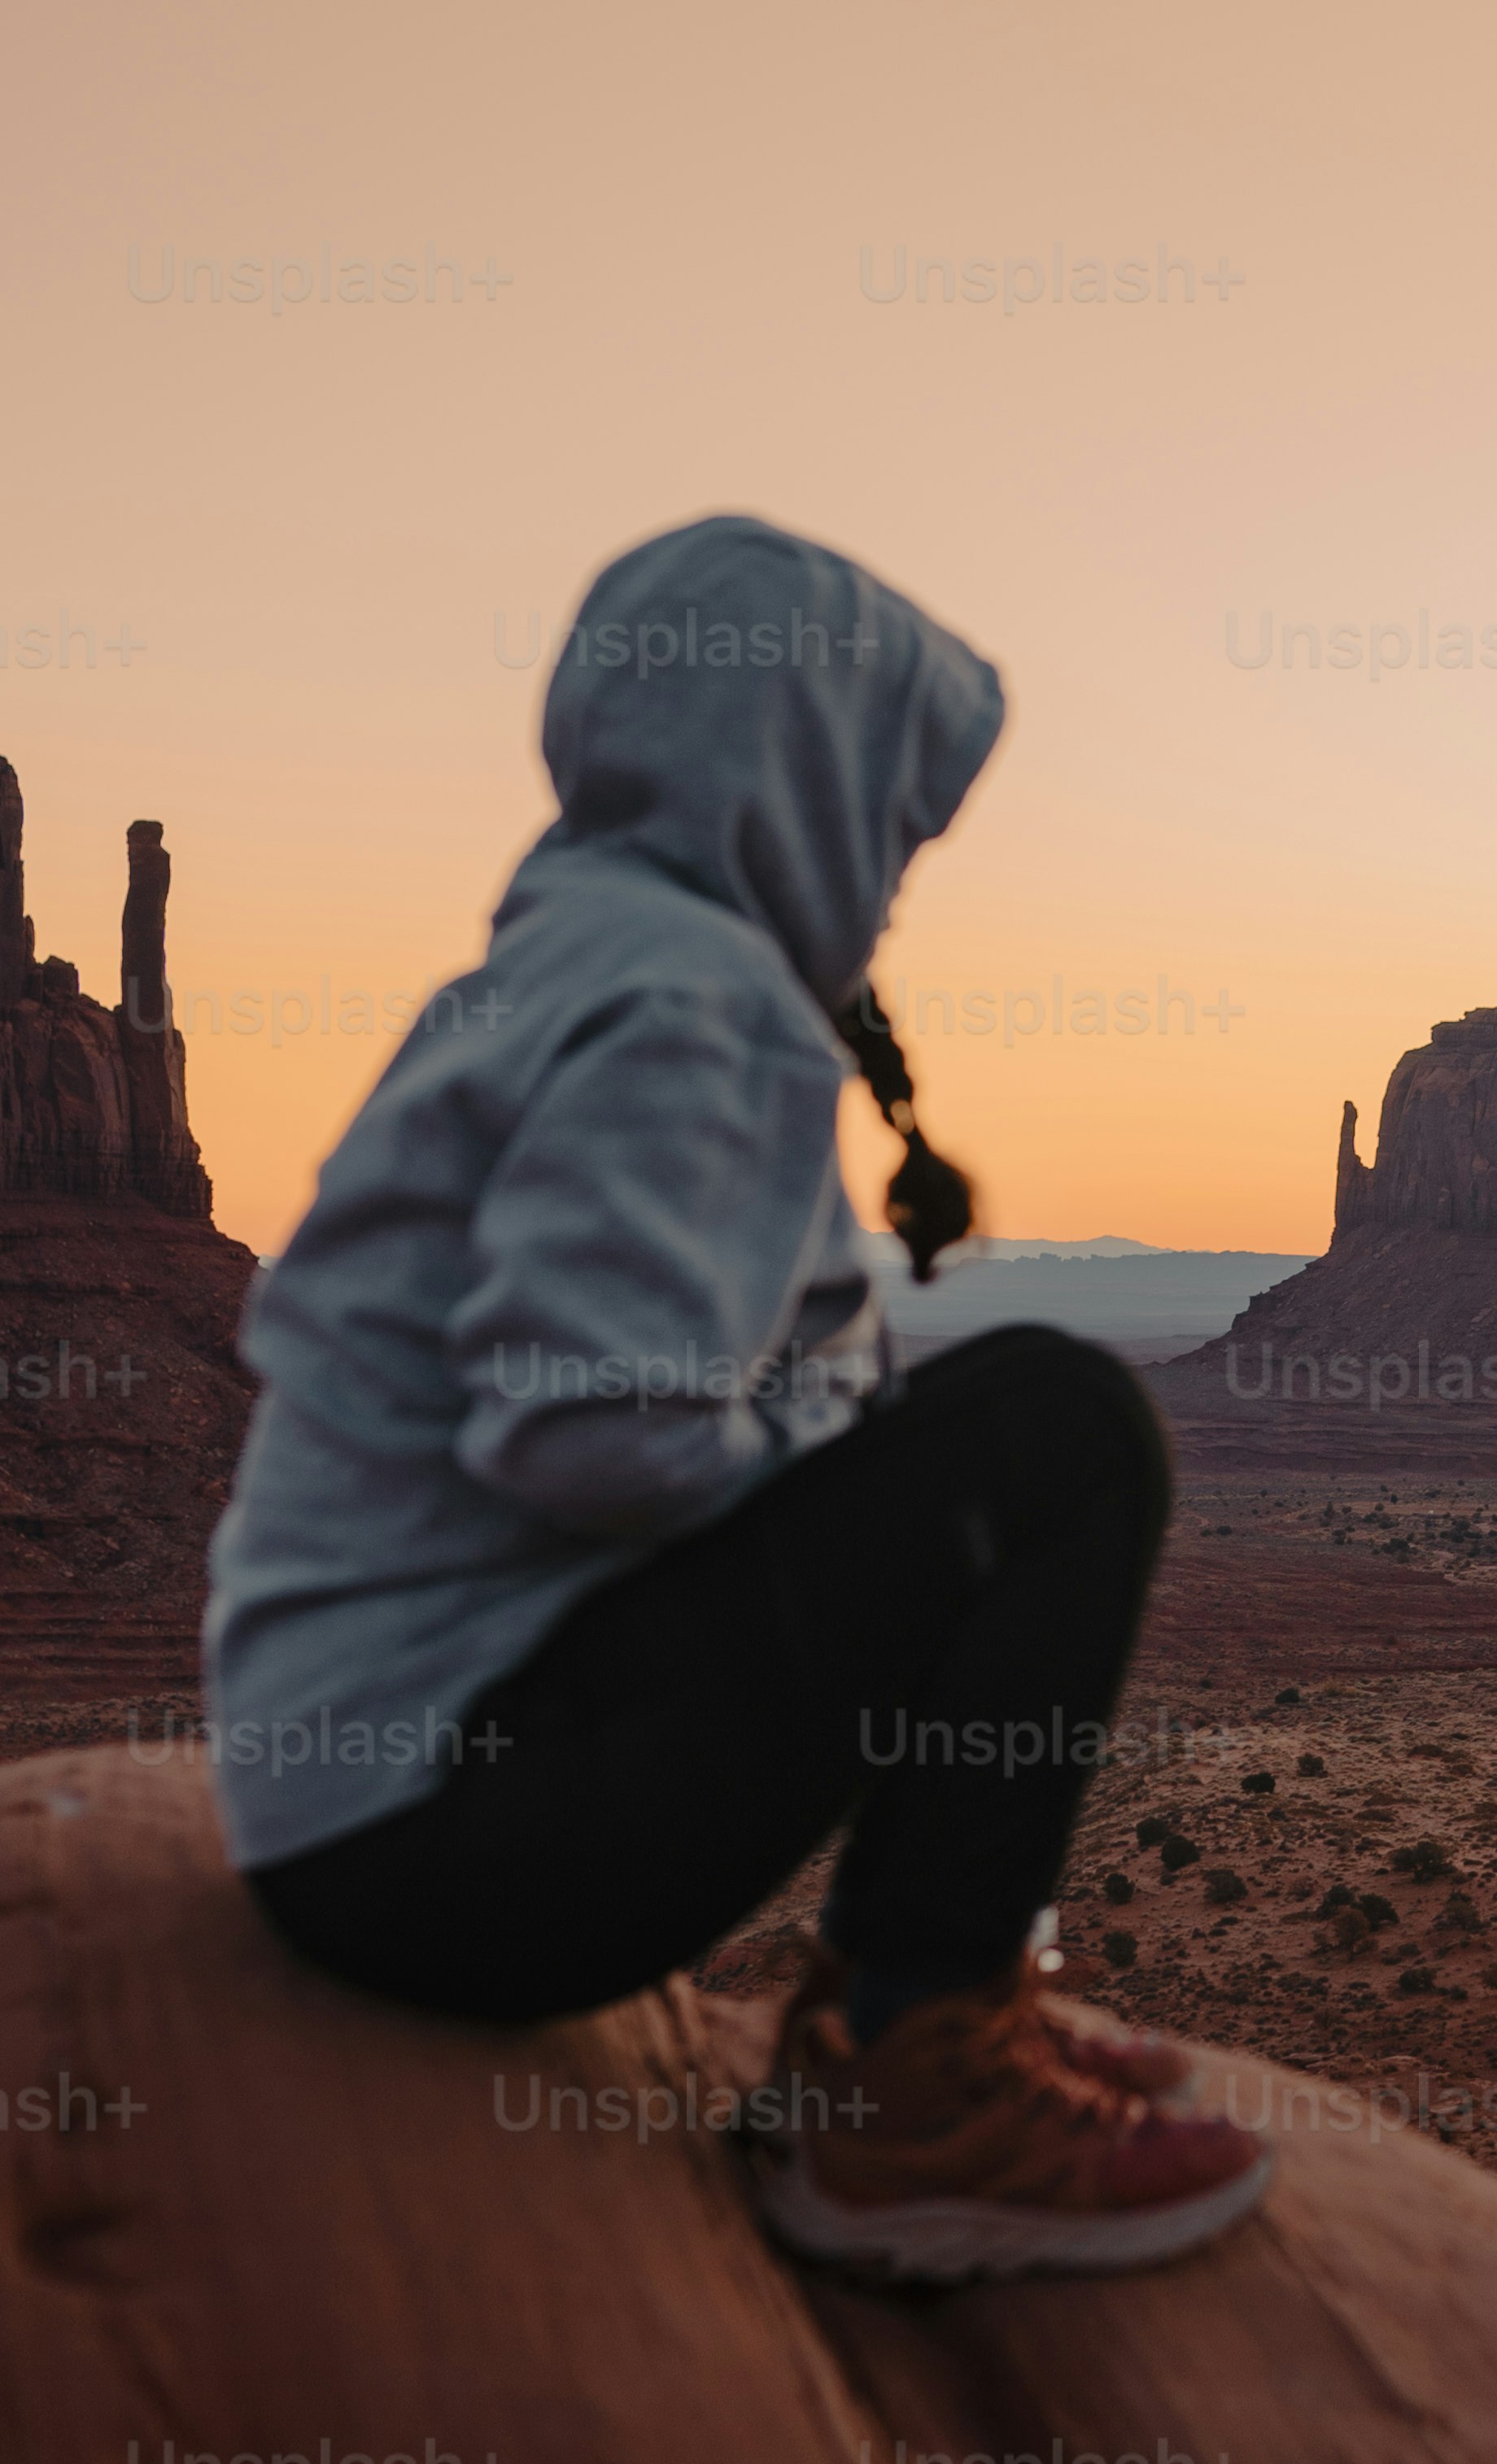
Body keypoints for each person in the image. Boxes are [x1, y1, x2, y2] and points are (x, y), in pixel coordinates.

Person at [200, 510, 1272, 2283]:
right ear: (801, 778)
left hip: (348, 1796)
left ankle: (921, 2011)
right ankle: (921, 2085)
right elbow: (584, 1428)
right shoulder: (698, 1002)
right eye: (895, 820)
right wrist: (841, 1462)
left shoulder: (572, 947)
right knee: (1061, 1435)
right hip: (444, 1836)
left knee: (985, 1442)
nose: (900, 868)